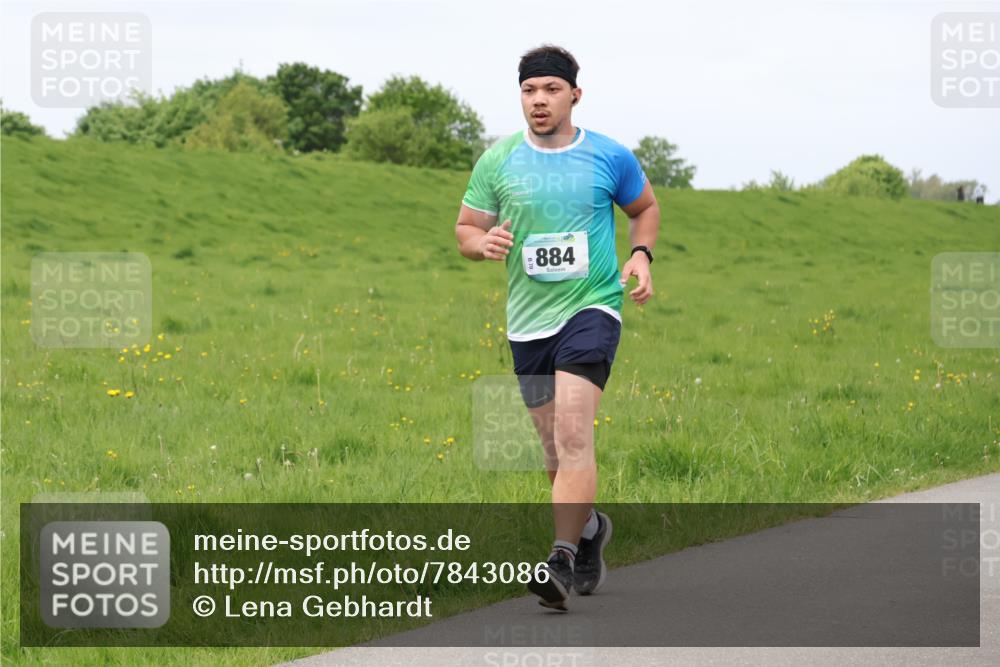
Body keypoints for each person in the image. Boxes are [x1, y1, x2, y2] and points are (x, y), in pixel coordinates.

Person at [454, 44, 661, 611]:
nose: (538, 100)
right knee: (553, 451)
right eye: (528, 90)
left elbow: (644, 208)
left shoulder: (608, 156)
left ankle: (561, 560)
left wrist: (641, 256)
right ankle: (591, 529)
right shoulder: (497, 162)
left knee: (573, 433)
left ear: (575, 94)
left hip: (593, 306)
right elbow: (466, 229)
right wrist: (482, 244)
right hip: (528, 323)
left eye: (550, 89)